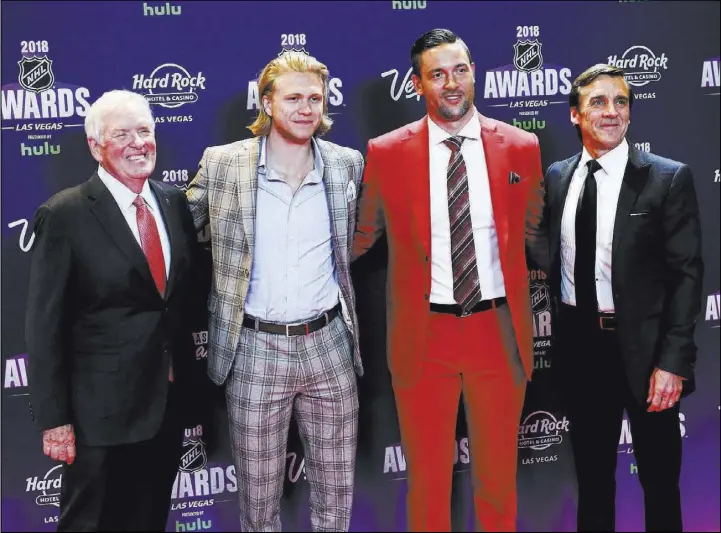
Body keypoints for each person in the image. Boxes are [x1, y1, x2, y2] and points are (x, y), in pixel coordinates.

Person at [352, 28, 545, 532]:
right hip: (425, 335)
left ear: (474, 72)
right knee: (428, 483)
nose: (451, 83)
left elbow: (538, 236)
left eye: (460, 70)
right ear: (419, 84)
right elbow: (360, 238)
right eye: (437, 74)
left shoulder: (521, 147)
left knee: (498, 482)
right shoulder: (387, 151)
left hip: (498, 332)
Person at [184, 51, 364, 532]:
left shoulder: (347, 165)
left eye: (314, 98)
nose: (305, 108)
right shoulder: (223, 165)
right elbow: (177, 235)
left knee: (337, 496)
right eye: (292, 98)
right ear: (266, 102)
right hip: (255, 348)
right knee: (259, 505)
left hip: (330, 345)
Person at [531, 63, 703, 532]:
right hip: (582, 351)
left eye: (621, 101)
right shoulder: (558, 176)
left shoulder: (667, 179)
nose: (612, 112)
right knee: (592, 480)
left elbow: (688, 277)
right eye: (598, 102)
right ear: (574, 115)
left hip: (648, 357)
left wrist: (673, 363)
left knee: (660, 481)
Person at [26, 89, 199, 531]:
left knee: (148, 520)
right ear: (95, 145)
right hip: (97, 418)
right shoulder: (64, 215)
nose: (138, 143)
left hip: (164, 405)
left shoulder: (173, 202)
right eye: (122, 134)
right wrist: (55, 421)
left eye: (145, 131)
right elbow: (44, 327)